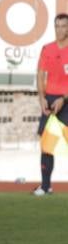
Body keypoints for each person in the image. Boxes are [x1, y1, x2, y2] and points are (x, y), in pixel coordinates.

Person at [34, 13, 68, 195]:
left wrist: (64, 98)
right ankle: (46, 187)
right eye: (57, 26)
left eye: (63, 26)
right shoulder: (47, 49)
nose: (60, 29)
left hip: (66, 100)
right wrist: (41, 97)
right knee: (47, 145)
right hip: (49, 100)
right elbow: (40, 74)